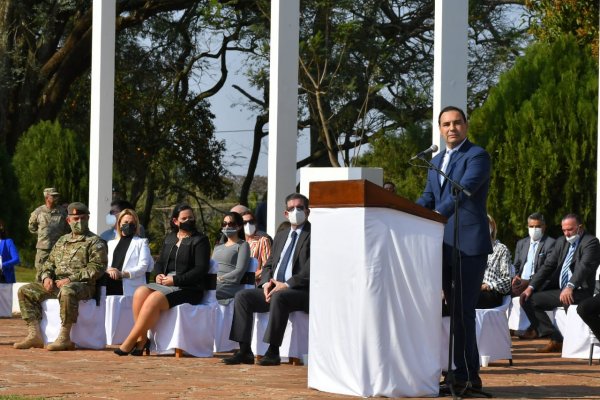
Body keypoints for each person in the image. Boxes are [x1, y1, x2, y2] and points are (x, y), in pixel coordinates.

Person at [415, 106, 492, 392]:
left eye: (457, 123)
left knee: (463, 311)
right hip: (442, 244)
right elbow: (428, 196)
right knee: (450, 309)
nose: (452, 128)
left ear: (466, 125)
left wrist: (437, 213)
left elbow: (463, 189)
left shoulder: (477, 156)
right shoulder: (436, 160)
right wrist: (408, 211)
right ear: (439, 128)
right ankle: (455, 373)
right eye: (446, 124)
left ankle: (469, 376)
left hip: (469, 245)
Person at [223, 193, 310, 366]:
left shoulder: (314, 235)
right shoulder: (281, 235)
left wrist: (286, 285)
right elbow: (269, 264)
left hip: (300, 292)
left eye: (300, 208)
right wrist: (265, 283)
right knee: (243, 296)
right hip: (274, 288)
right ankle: (244, 350)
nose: (296, 211)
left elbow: (311, 269)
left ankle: (273, 351)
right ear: (286, 214)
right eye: (291, 208)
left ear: (308, 211)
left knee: (280, 296)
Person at [114, 204, 210, 356]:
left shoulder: (200, 240)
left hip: (190, 287)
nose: (188, 221)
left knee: (153, 299)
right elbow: (159, 263)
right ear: (175, 221)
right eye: (184, 218)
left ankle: (130, 340)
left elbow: (200, 269)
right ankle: (143, 339)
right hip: (166, 283)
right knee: (140, 292)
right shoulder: (170, 238)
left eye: (191, 218)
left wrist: (176, 280)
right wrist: (158, 274)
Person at [14, 202, 108, 351]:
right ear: (68, 220)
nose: (80, 222)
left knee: (67, 291)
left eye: (83, 218)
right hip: (57, 284)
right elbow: (49, 263)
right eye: (76, 218)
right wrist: (46, 277)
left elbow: (97, 268)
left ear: (88, 218)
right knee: (25, 290)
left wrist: (70, 279)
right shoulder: (62, 241)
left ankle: (64, 337)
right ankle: (35, 335)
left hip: (83, 286)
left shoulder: (95, 242)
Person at [520, 213, 600, 352]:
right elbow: (547, 266)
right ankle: (556, 338)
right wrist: (531, 287)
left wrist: (570, 286)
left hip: (581, 290)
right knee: (528, 299)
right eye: (564, 230)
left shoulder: (590, 242)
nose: (566, 233)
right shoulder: (561, 242)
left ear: (580, 228)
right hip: (561, 289)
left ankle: (572, 345)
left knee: (570, 301)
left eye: (570, 229)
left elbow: (584, 267)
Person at [105, 209, 154, 296]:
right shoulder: (111, 243)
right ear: (120, 224)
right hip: (110, 285)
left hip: (130, 288)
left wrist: (122, 274)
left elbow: (143, 267)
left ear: (136, 225)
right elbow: (104, 263)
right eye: (126, 222)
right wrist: (109, 269)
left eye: (132, 223)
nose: (128, 225)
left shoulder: (142, 242)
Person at [28, 187, 69, 282]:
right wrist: (43, 235)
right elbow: (31, 227)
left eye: (57, 196)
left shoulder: (62, 212)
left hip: (59, 248)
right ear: (47, 197)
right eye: (53, 196)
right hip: (43, 249)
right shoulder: (38, 212)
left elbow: (68, 228)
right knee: (40, 273)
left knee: (59, 273)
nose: (56, 198)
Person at [512, 212, 556, 297]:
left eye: (538, 226)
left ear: (544, 227)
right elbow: (516, 265)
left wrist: (529, 282)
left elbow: (548, 270)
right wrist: (516, 278)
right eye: (531, 226)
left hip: (538, 285)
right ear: (528, 226)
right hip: (519, 283)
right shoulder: (521, 243)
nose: (534, 229)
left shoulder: (551, 243)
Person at [214, 212, 251, 304]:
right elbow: (211, 267)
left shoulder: (243, 245)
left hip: (228, 285)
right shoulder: (217, 247)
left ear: (239, 226)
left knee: (208, 292)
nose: (226, 227)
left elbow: (239, 271)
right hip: (213, 283)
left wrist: (220, 278)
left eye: (230, 224)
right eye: (224, 224)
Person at [477, 215, 512, 309]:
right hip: (473, 290)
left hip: (491, 292)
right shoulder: (473, 249)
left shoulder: (501, 249)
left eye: (486, 224)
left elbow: (507, 281)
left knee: (465, 301)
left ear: (492, 227)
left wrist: (488, 285)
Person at [241, 210, 272, 284]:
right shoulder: (239, 242)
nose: (248, 225)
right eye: (244, 223)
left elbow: (267, 268)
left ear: (255, 223)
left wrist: (248, 277)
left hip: (255, 284)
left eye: (251, 221)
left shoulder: (263, 240)